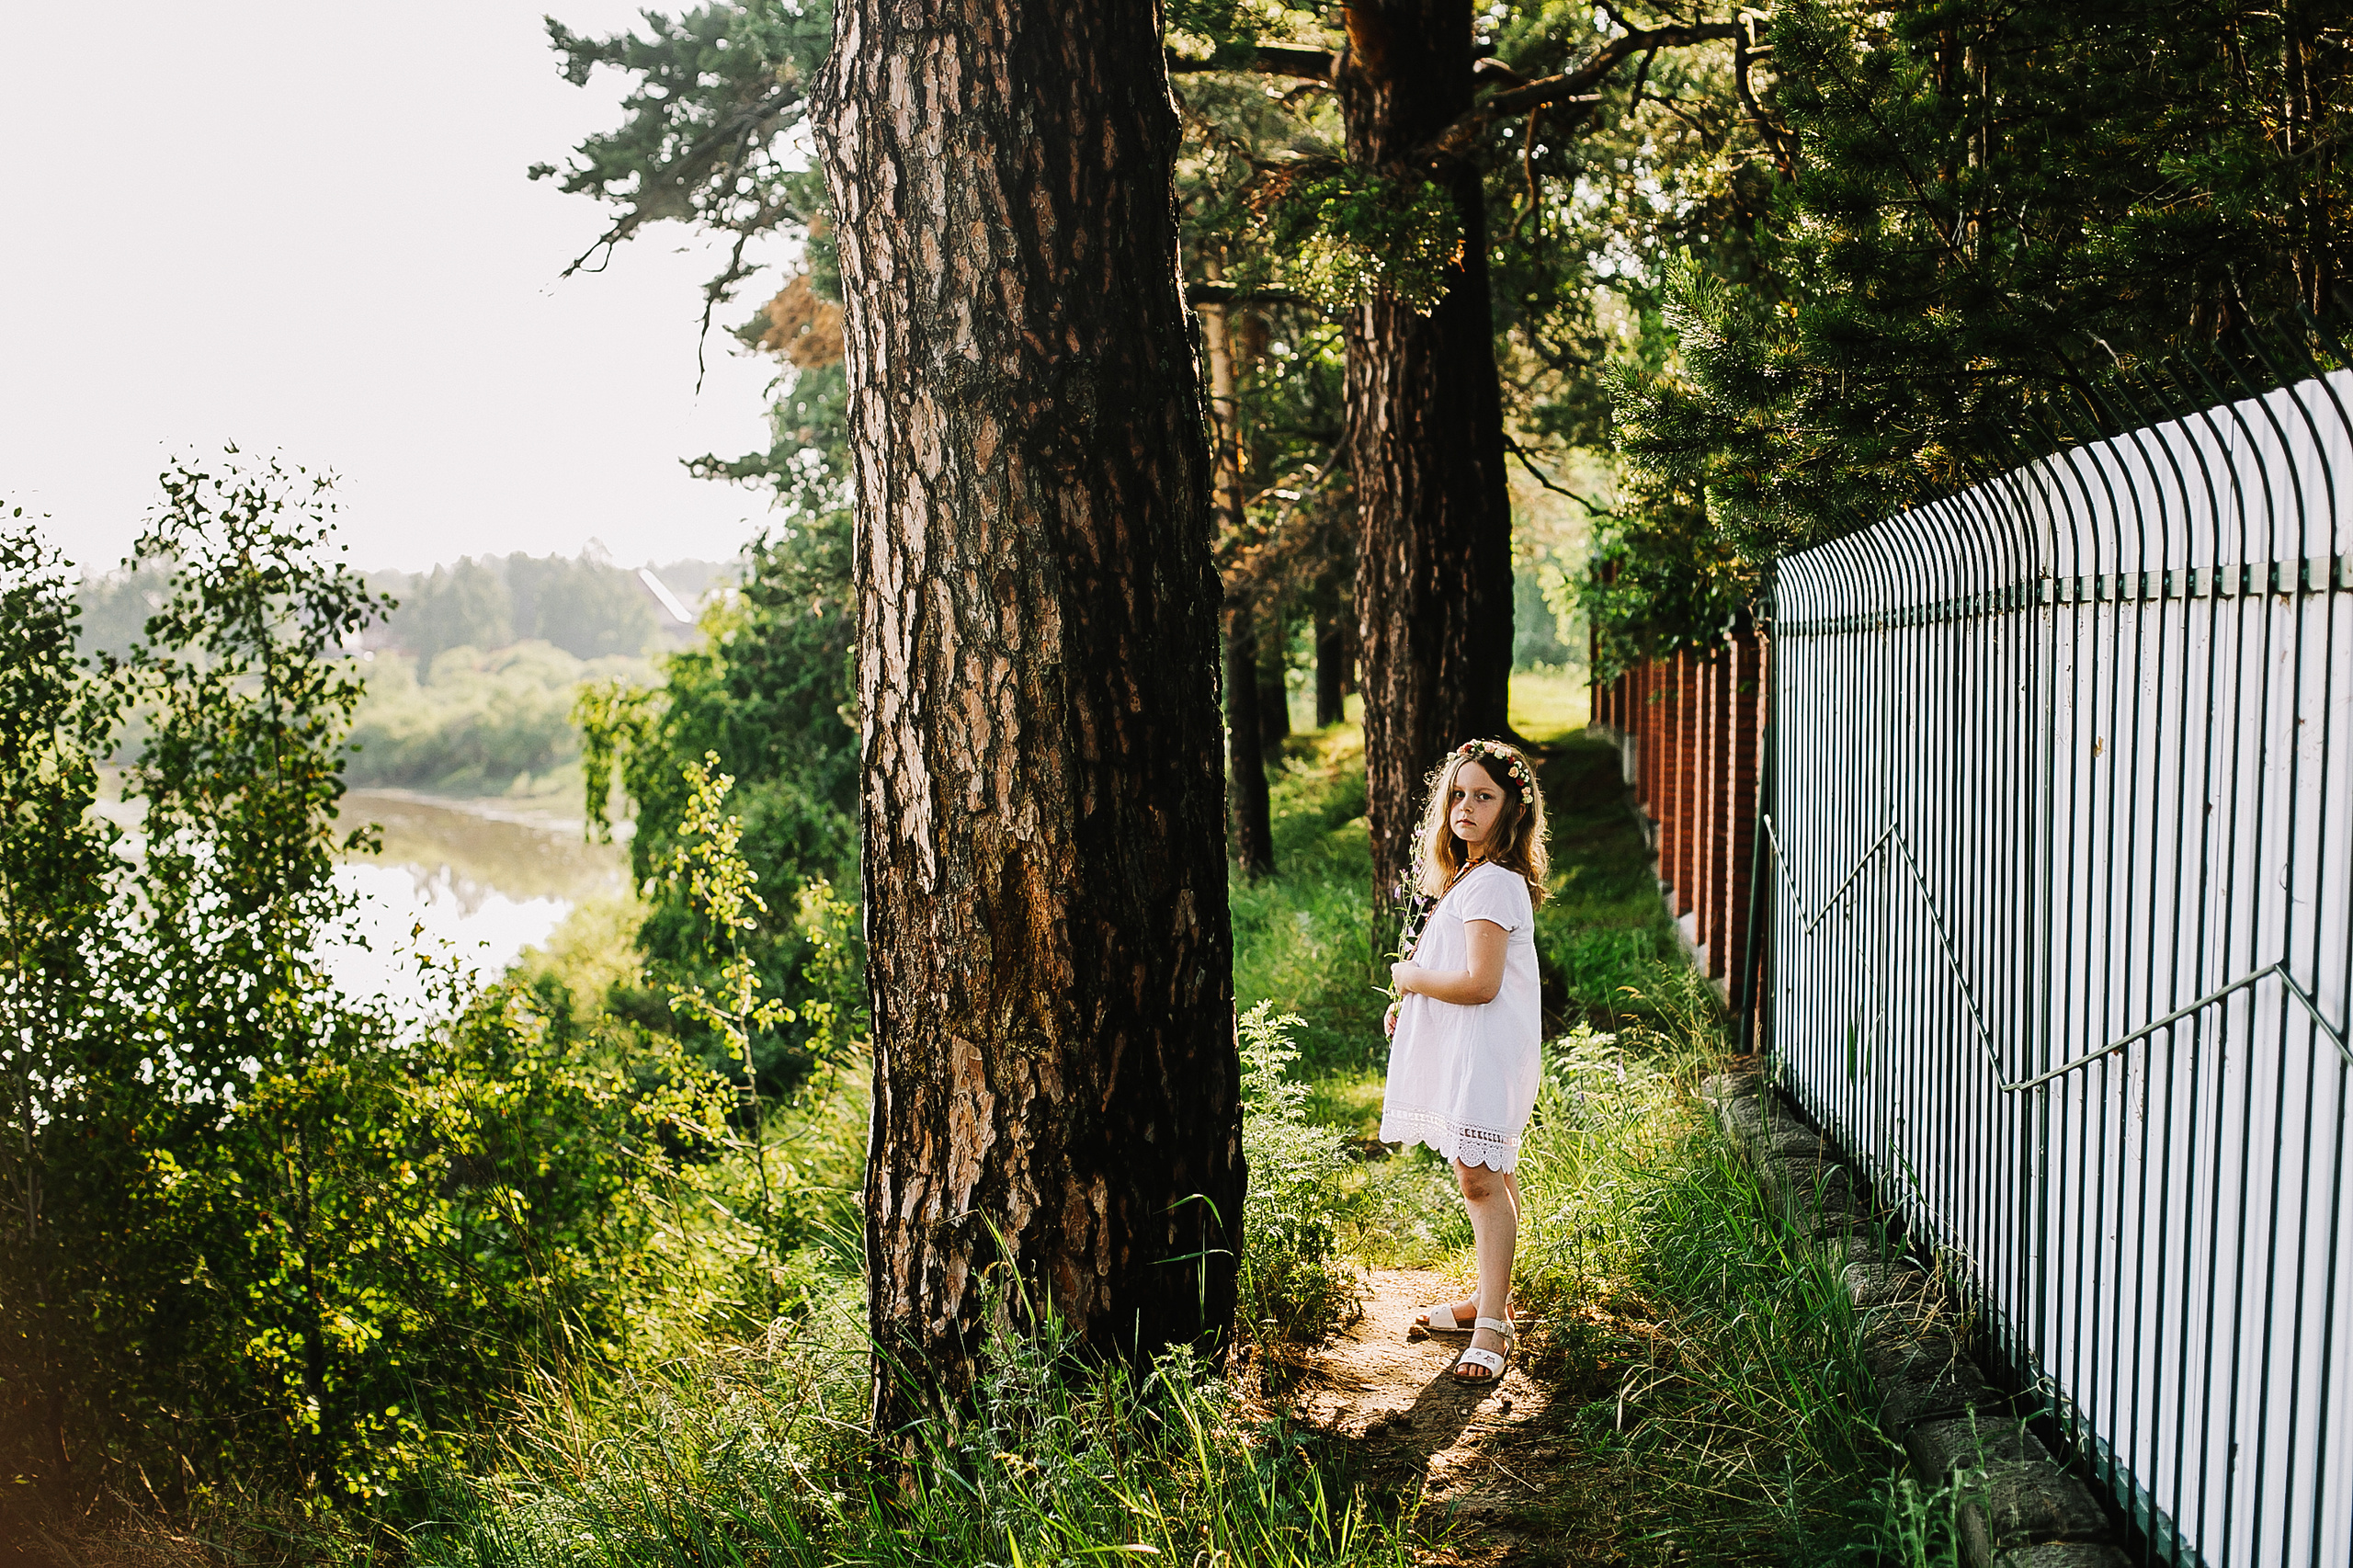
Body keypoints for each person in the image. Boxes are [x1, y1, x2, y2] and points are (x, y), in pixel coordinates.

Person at [1380, 737, 1548, 1383]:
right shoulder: (1471, 878)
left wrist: (1411, 979)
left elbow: (1481, 983)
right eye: (1458, 794)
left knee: (1480, 1177)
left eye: (1484, 796)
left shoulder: (1497, 882)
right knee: (1487, 1172)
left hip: (1488, 1053)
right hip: (1471, 1047)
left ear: (1511, 810)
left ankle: (1494, 1328)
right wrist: (1413, 1005)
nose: (1467, 807)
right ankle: (1489, 1298)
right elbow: (1460, 971)